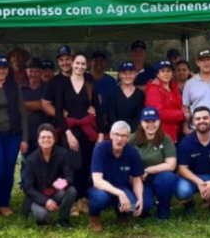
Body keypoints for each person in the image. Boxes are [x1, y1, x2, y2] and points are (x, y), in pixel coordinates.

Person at [48, 51, 103, 215]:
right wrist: (68, 134)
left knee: (86, 167)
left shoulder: (89, 82)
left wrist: (100, 134)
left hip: (87, 131)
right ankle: (70, 200)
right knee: (73, 166)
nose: (79, 66)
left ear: (86, 66)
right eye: (77, 63)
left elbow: (98, 108)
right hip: (69, 131)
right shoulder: (62, 85)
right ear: (72, 64)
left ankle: (82, 200)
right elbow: (58, 113)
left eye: (83, 64)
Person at [0, 55, 30, 217]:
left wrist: (24, 138)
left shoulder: (13, 88)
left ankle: (5, 204)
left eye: (4, 68)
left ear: (8, 70)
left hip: (12, 135)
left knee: (8, 171)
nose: (1, 71)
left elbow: (23, 113)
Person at [88, 121, 145, 233]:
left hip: (120, 186)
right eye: (117, 134)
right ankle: (94, 216)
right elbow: (97, 181)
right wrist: (120, 193)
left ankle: (121, 214)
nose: (119, 139)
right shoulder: (100, 149)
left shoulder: (133, 153)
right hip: (100, 187)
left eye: (123, 136)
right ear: (111, 135)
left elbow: (137, 180)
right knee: (101, 198)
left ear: (128, 137)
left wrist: (140, 198)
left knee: (133, 206)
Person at [21, 124, 77, 228]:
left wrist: (61, 183)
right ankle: (44, 210)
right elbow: (27, 187)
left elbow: (70, 176)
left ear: (54, 139)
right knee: (42, 216)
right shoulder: (31, 159)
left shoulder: (63, 153)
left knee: (72, 190)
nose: (46, 140)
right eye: (43, 137)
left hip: (56, 193)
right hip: (39, 196)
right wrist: (45, 201)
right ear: (38, 139)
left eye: (49, 137)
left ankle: (63, 220)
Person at [128, 107, 177, 219]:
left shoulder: (166, 138)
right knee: (140, 207)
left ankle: (164, 208)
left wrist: (147, 170)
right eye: (147, 121)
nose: (150, 124)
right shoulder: (132, 138)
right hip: (138, 180)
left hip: (158, 177)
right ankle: (142, 207)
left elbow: (171, 164)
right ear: (141, 122)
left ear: (159, 122)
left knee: (169, 178)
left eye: (153, 121)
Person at [145, 60, 186, 143]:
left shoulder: (174, 88)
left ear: (172, 73)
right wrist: (182, 114)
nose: (166, 73)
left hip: (176, 132)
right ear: (157, 74)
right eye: (162, 71)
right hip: (161, 134)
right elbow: (159, 113)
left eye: (168, 71)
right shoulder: (153, 89)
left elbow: (179, 105)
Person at [106, 61, 145, 132]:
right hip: (116, 133)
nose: (127, 76)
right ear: (120, 75)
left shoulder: (140, 95)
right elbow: (111, 115)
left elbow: (139, 117)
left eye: (130, 73)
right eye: (124, 73)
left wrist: (130, 133)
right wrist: (118, 130)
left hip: (134, 134)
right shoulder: (112, 93)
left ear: (135, 74)